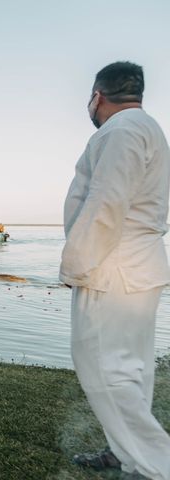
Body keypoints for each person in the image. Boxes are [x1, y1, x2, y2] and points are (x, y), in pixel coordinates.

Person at [60, 62, 170, 480]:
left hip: (114, 270)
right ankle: (125, 452)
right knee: (131, 370)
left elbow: (107, 203)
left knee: (106, 370)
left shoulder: (122, 131)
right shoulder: (148, 128)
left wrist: (76, 265)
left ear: (97, 96)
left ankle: (154, 465)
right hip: (136, 269)